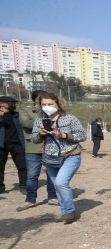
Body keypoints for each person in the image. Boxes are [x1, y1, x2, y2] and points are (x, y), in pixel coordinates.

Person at [31, 92, 86, 224]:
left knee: (61, 182)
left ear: (58, 104)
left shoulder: (70, 118)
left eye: (50, 104)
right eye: (44, 104)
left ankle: (69, 212)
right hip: (50, 158)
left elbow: (82, 135)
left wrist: (64, 135)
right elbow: (34, 140)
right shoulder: (39, 121)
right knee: (57, 186)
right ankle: (65, 212)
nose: (47, 106)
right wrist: (40, 134)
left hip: (70, 155)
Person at [16, 90, 57, 211]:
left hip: (50, 146)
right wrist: (45, 123)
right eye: (42, 99)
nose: (45, 102)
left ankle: (52, 197)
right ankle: (30, 199)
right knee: (32, 176)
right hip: (33, 148)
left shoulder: (52, 111)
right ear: (36, 99)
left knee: (51, 174)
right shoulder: (26, 110)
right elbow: (27, 123)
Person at [0, 96, 27, 194]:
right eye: (11, 103)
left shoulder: (16, 115)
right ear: (2, 104)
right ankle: (1, 188)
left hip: (17, 144)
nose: (13, 105)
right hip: (1, 146)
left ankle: (23, 185)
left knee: (22, 166)